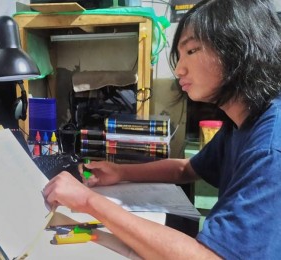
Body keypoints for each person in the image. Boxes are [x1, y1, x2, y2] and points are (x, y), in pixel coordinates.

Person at [42, 0, 281, 258]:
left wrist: (89, 202)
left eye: (191, 51)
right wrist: (119, 171)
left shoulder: (271, 147)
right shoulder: (243, 121)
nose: (178, 70)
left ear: (238, 49)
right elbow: (186, 169)